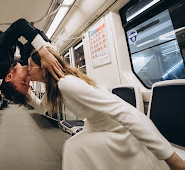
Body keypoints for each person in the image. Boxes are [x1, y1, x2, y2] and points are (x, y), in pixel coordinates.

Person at [24, 47, 185, 170]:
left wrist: (172, 158)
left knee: (73, 147)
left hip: (118, 132)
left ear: (43, 69)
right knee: (74, 146)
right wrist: (26, 92)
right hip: (96, 129)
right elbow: (41, 108)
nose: (28, 70)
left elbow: (123, 111)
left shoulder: (67, 84)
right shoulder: (55, 88)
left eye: (30, 66)